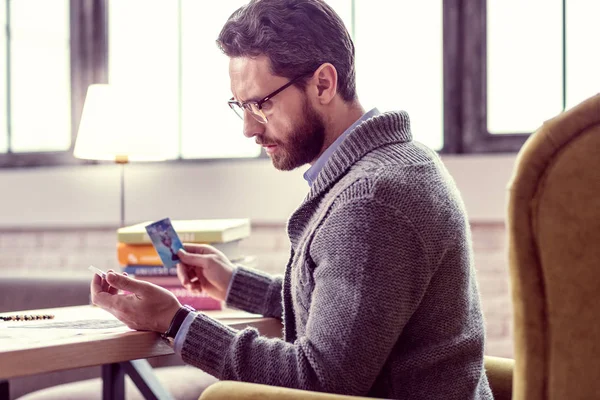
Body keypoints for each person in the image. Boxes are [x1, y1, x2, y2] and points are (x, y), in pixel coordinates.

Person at [91, 0, 493, 398]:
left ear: (323, 84)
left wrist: (176, 321)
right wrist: (231, 282)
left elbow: (320, 379)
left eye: (261, 104)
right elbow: (344, 314)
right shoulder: (396, 162)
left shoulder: (371, 200)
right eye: (241, 106)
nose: (249, 128)